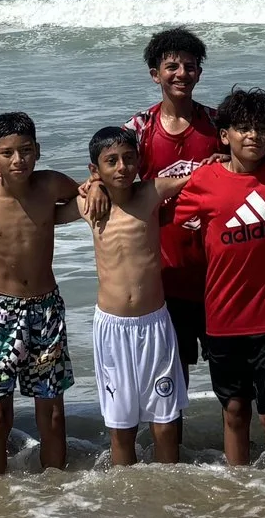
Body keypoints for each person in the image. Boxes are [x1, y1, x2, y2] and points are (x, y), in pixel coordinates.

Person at [125, 87, 265, 470]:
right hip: (221, 317)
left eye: (263, 130)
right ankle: (239, 500)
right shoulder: (205, 181)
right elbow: (160, 216)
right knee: (235, 411)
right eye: (244, 129)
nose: (253, 136)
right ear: (224, 136)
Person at [0, 113, 84, 476]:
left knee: (54, 414)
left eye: (26, 151)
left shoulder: (49, 186)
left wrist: (87, 197)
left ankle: (54, 497)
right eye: (7, 153)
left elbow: (91, 189)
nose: (18, 160)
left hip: (46, 313)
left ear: (38, 151)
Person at [78, 125, 186, 466]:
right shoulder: (87, 203)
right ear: (96, 169)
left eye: (128, 158)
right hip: (111, 329)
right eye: (111, 161)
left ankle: (168, 495)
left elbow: (206, 176)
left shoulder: (152, 193)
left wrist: (216, 159)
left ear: (139, 161)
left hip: (155, 325)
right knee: (121, 429)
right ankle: (125, 510)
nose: (122, 167)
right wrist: (92, 186)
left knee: (166, 425)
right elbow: (36, 201)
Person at [127, 28, 222, 382]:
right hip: (165, 277)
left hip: (217, 276)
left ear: (200, 72)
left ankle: (233, 441)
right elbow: (112, 173)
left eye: (190, 66)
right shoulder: (138, 129)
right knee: (170, 382)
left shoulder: (218, 125)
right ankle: (171, 441)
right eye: (172, 66)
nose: (182, 73)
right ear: (155, 74)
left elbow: (253, 153)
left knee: (232, 387)